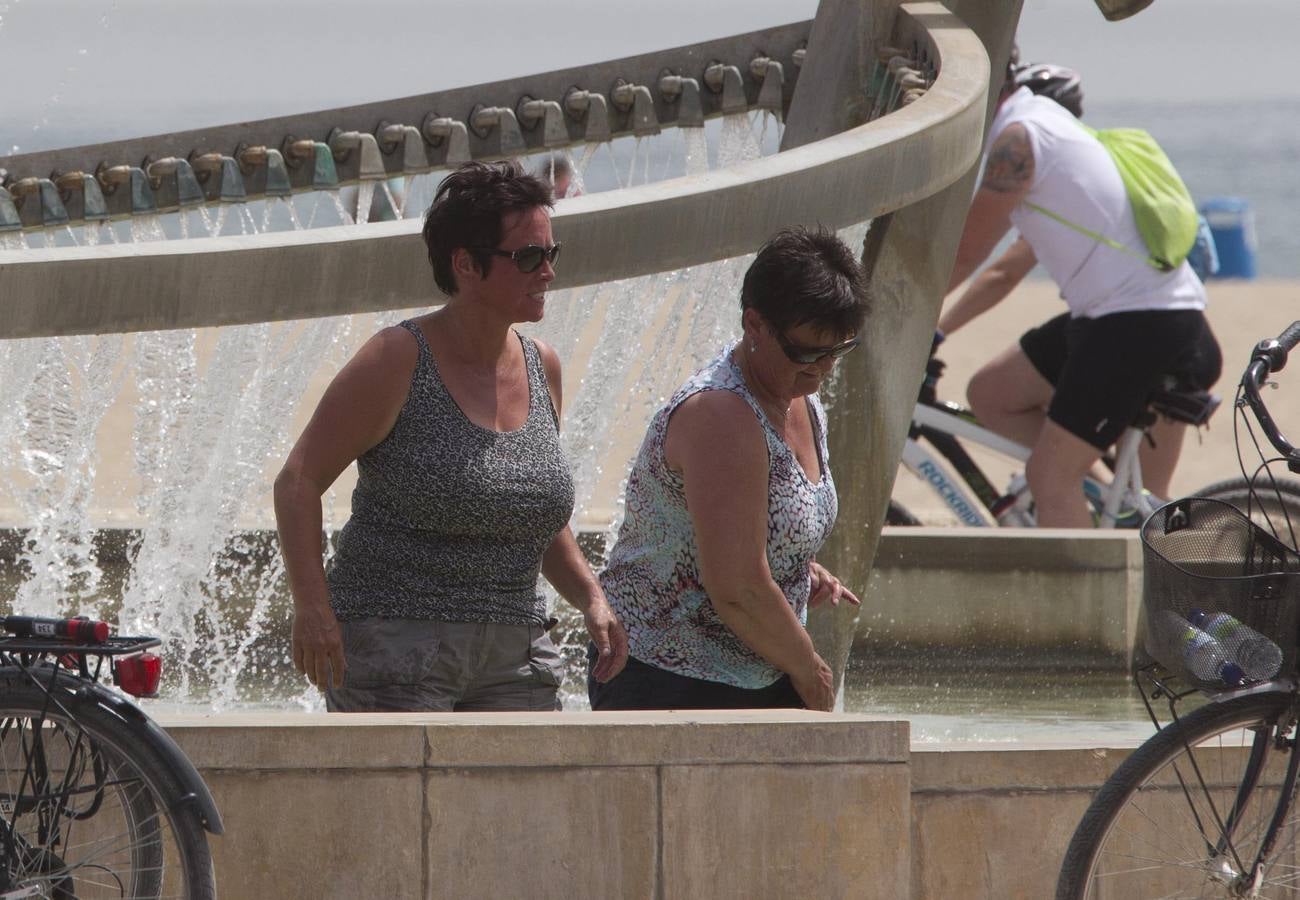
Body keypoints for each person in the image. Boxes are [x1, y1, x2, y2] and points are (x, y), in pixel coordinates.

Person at [274, 160, 627, 711]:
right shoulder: (397, 359)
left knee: (525, 798)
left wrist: (591, 597)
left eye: (551, 253)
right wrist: (313, 610)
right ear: (466, 264)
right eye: (529, 256)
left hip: (518, 650)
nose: (548, 272)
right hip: (395, 645)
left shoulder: (543, 366)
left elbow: (531, 514)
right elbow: (297, 482)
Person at [588, 227, 868, 712]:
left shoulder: (799, 396)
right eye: (806, 351)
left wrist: (795, 564)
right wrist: (811, 672)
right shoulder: (720, 415)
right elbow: (737, 587)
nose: (822, 368)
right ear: (754, 324)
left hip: (755, 666)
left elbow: (740, 533)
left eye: (837, 351)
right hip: (667, 676)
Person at [937, 61, 1221, 527]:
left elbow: (966, 254)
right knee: (992, 393)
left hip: (1137, 323)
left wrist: (894, 323)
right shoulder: (1048, 125)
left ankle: (1085, 591)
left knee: (1049, 477)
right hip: (1124, 316)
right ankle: (1104, 501)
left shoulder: (1020, 139)